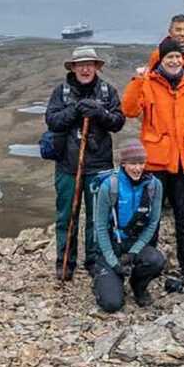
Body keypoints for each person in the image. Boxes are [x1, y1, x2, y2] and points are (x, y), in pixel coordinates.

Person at [122, 36, 184, 287]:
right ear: (161, 59)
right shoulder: (147, 83)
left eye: (178, 57)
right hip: (156, 162)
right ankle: (148, 263)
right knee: (151, 218)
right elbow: (129, 110)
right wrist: (138, 80)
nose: (175, 60)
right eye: (170, 57)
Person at [45, 46, 125, 280]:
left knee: (97, 216)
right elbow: (52, 121)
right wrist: (75, 112)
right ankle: (65, 260)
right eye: (81, 65)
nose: (86, 68)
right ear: (74, 68)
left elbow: (118, 121)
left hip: (99, 166)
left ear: (96, 67)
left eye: (90, 64)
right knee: (66, 215)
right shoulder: (61, 93)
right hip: (68, 166)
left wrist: (100, 113)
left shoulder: (107, 92)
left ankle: (94, 259)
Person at [86, 140, 168, 313]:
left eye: (141, 163)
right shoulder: (110, 186)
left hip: (133, 243)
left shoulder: (154, 186)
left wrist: (133, 253)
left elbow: (153, 222)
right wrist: (113, 262)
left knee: (156, 261)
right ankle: (106, 279)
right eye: (132, 163)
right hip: (111, 244)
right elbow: (99, 226)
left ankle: (138, 286)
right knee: (112, 304)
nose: (137, 168)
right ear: (123, 164)